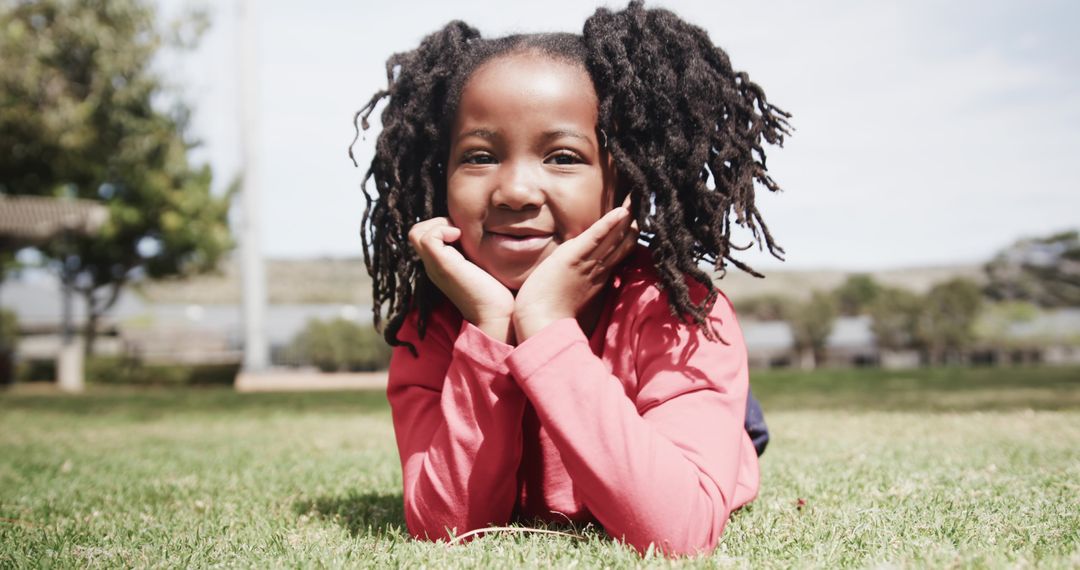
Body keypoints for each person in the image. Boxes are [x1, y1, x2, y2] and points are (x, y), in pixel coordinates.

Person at [350, 1, 789, 556]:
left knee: (720, 433)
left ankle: (737, 424)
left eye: (562, 157)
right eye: (479, 156)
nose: (515, 191)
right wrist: (489, 328)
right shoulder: (432, 327)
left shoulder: (679, 314)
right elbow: (446, 529)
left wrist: (546, 323)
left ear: (624, 179)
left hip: (678, 390)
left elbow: (678, 535)